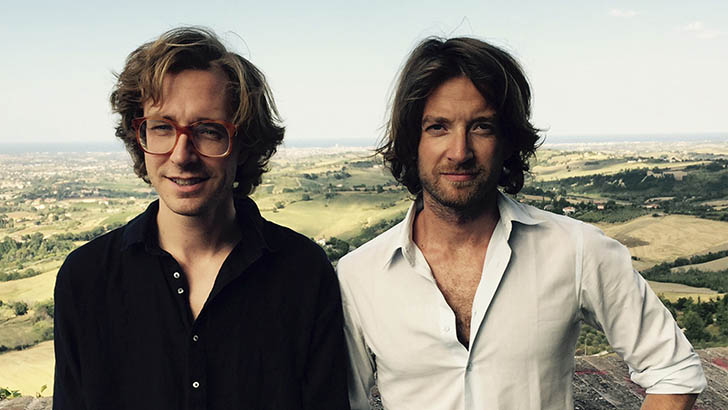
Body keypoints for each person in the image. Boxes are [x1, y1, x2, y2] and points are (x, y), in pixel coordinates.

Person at [337, 37, 706, 410]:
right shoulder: (359, 275)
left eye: (482, 126)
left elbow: (673, 369)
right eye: (438, 127)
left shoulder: (576, 248)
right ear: (411, 141)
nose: (460, 152)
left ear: (508, 141)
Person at [53, 27, 350, 410]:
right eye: (162, 127)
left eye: (208, 131)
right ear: (140, 136)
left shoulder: (303, 272)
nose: (182, 155)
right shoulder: (86, 278)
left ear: (244, 144)